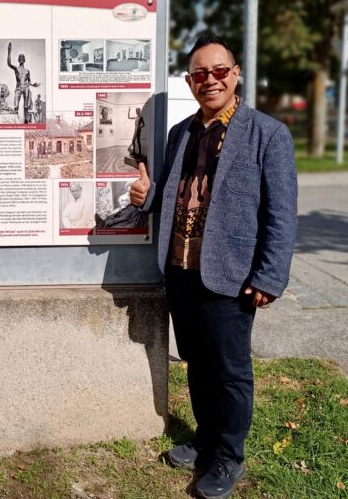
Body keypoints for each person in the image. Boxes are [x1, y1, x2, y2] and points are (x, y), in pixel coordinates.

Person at [129, 34, 297, 499]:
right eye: (200, 74)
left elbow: (281, 214)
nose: (211, 80)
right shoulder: (180, 133)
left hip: (231, 275)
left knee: (229, 371)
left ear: (236, 74)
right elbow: (175, 193)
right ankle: (205, 440)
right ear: (189, 82)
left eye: (219, 71)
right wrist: (147, 197)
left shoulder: (268, 134)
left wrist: (269, 275)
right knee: (198, 364)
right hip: (182, 270)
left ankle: (227, 456)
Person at [7, 41, 40, 123]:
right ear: (18, 60)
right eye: (20, 58)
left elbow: (29, 81)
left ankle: (26, 122)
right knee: (16, 105)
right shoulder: (16, 68)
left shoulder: (27, 71)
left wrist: (33, 84)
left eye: (22, 58)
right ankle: (15, 121)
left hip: (26, 88)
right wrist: (9, 51)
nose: (21, 59)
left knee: (26, 106)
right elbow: (9, 63)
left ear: (24, 60)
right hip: (18, 87)